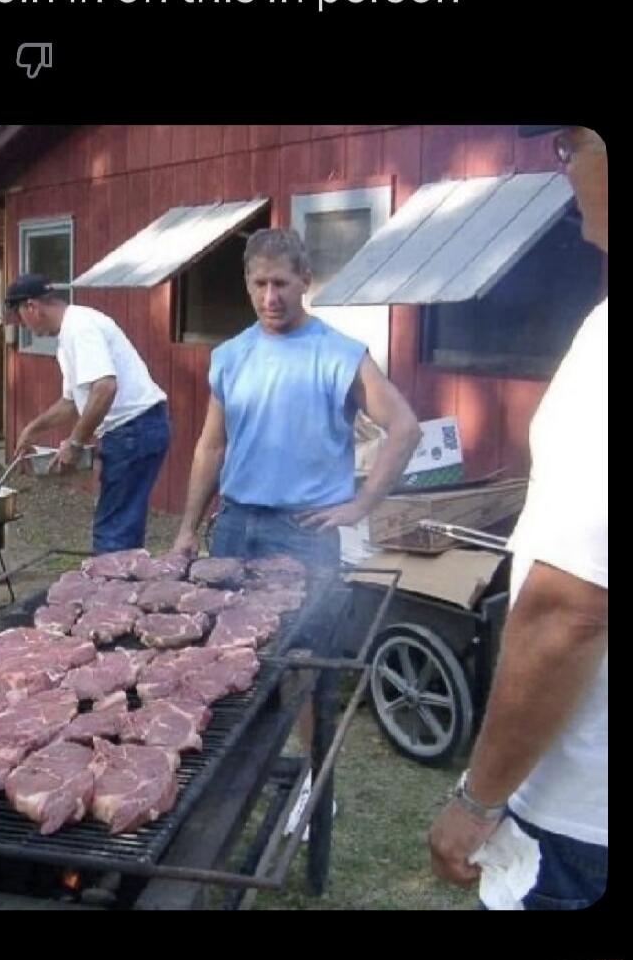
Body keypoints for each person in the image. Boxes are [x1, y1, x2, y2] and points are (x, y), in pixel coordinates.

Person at [170, 227, 421, 829]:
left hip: (304, 533)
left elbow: (405, 427)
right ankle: (221, 779)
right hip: (235, 527)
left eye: (282, 283)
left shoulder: (340, 353)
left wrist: (360, 505)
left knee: (304, 665)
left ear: (305, 282)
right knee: (222, 658)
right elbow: (211, 445)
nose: (270, 296)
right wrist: (186, 531)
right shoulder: (230, 355)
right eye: (259, 284)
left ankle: (314, 788)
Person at [429, 126, 607, 909]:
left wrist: (476, 799)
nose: (560, 165)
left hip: (585, 821)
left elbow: (570, 610)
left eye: (571, 144)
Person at [6, 274, 170, 554]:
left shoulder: (79, 327)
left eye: (20, 317)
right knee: (121, 525)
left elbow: (105, 387)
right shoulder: (69, 335)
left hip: (134, 429)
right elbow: (72, 402)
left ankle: (111, 593)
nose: (23, 326)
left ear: (32, 306)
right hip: (135, 430)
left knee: (113, 532)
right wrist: (32, 429)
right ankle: (125, 586)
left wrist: (76, 442)